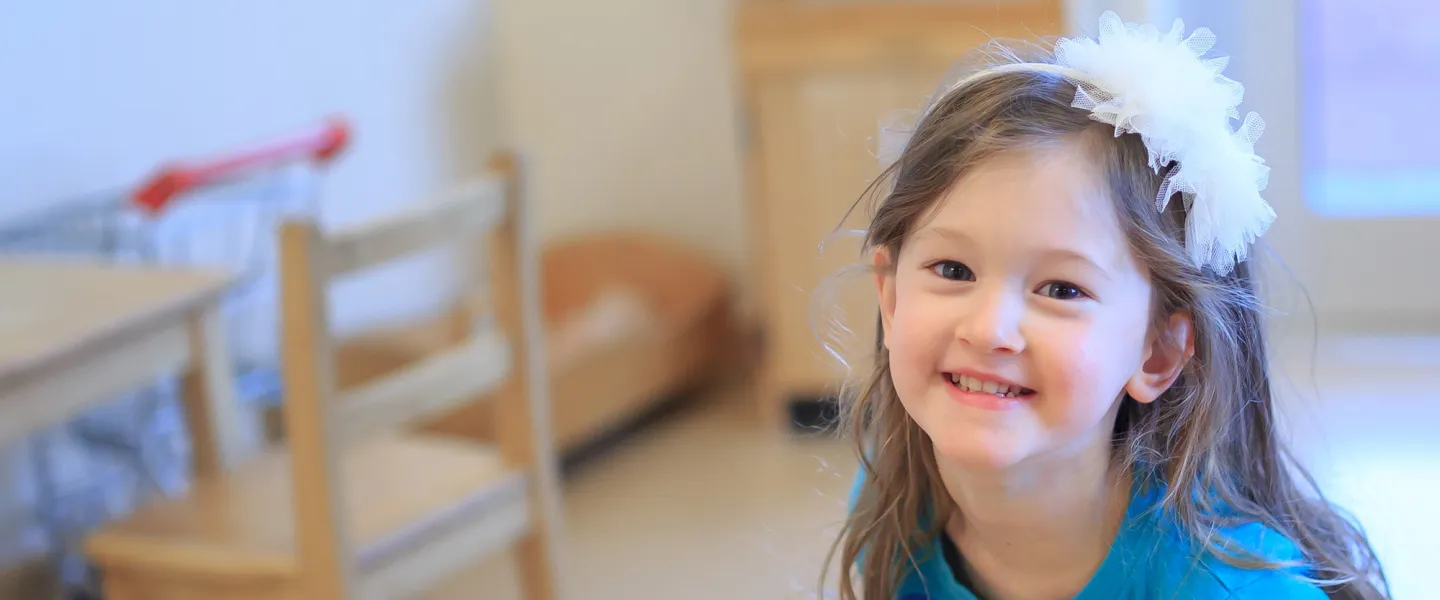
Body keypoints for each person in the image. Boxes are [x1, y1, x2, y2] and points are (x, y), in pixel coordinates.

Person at [822, 11, 1389, 600]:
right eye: (953, 270)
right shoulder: (890, 504)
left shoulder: (1226, 589)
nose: (990, 329)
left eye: (1062, 289)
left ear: (1158, 352)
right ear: (890, 299)